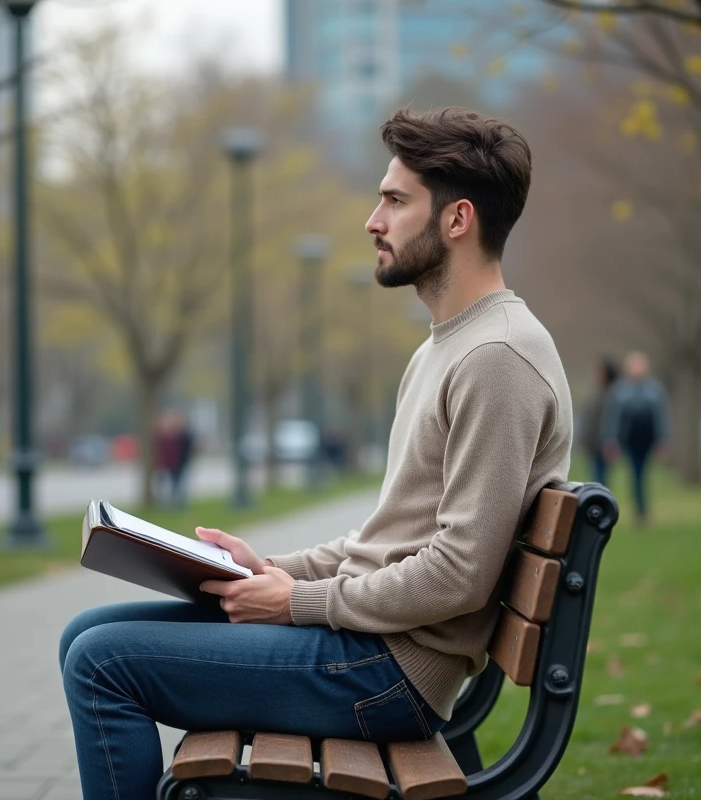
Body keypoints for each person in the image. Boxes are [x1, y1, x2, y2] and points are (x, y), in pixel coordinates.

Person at [58, 107, 574, 800]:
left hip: (388, 674)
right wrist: (268, 570)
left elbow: (459, 575)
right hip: (368, 648)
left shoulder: (496, 358)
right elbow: (389, 538)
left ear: (457, 220)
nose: (373, 220)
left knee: (100, 663)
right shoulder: (447, 346)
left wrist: (295, 601)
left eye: (394, 201)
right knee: (83, 634)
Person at [601, 351, 669, 526]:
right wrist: (611, 441)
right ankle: (640, 511)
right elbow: (613, 418)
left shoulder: (655, 389)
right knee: (636, 474)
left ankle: (642, 510)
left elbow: (661, 417)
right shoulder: (620, 390)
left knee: (641, 474)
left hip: (647, 439)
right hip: (630, 440)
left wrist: (663, 441)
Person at [580, 357, 620, 487]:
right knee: (596, 476)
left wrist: (611, 441)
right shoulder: (597, 392)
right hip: (593, 443)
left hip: (605, 443)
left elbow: (611, 420)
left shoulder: (613, 394)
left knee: (600, 477)